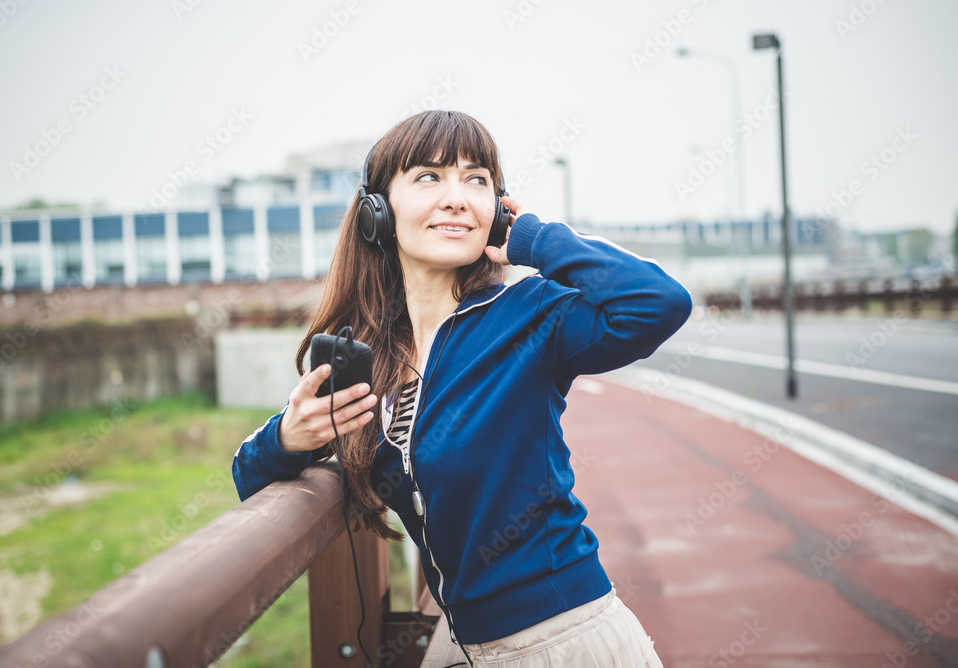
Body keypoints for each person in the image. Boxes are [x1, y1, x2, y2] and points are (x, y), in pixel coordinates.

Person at [232, 110, 691, 667]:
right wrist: (288, 435)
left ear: (496, 208)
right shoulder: (369, 361)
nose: (458, 197)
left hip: (564, 640)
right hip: (466, 645)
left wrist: (533, 238)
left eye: (477, 179)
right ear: (378, 210)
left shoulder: (527, 315)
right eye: (429, 177)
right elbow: (249, 480)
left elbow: (658, 302)